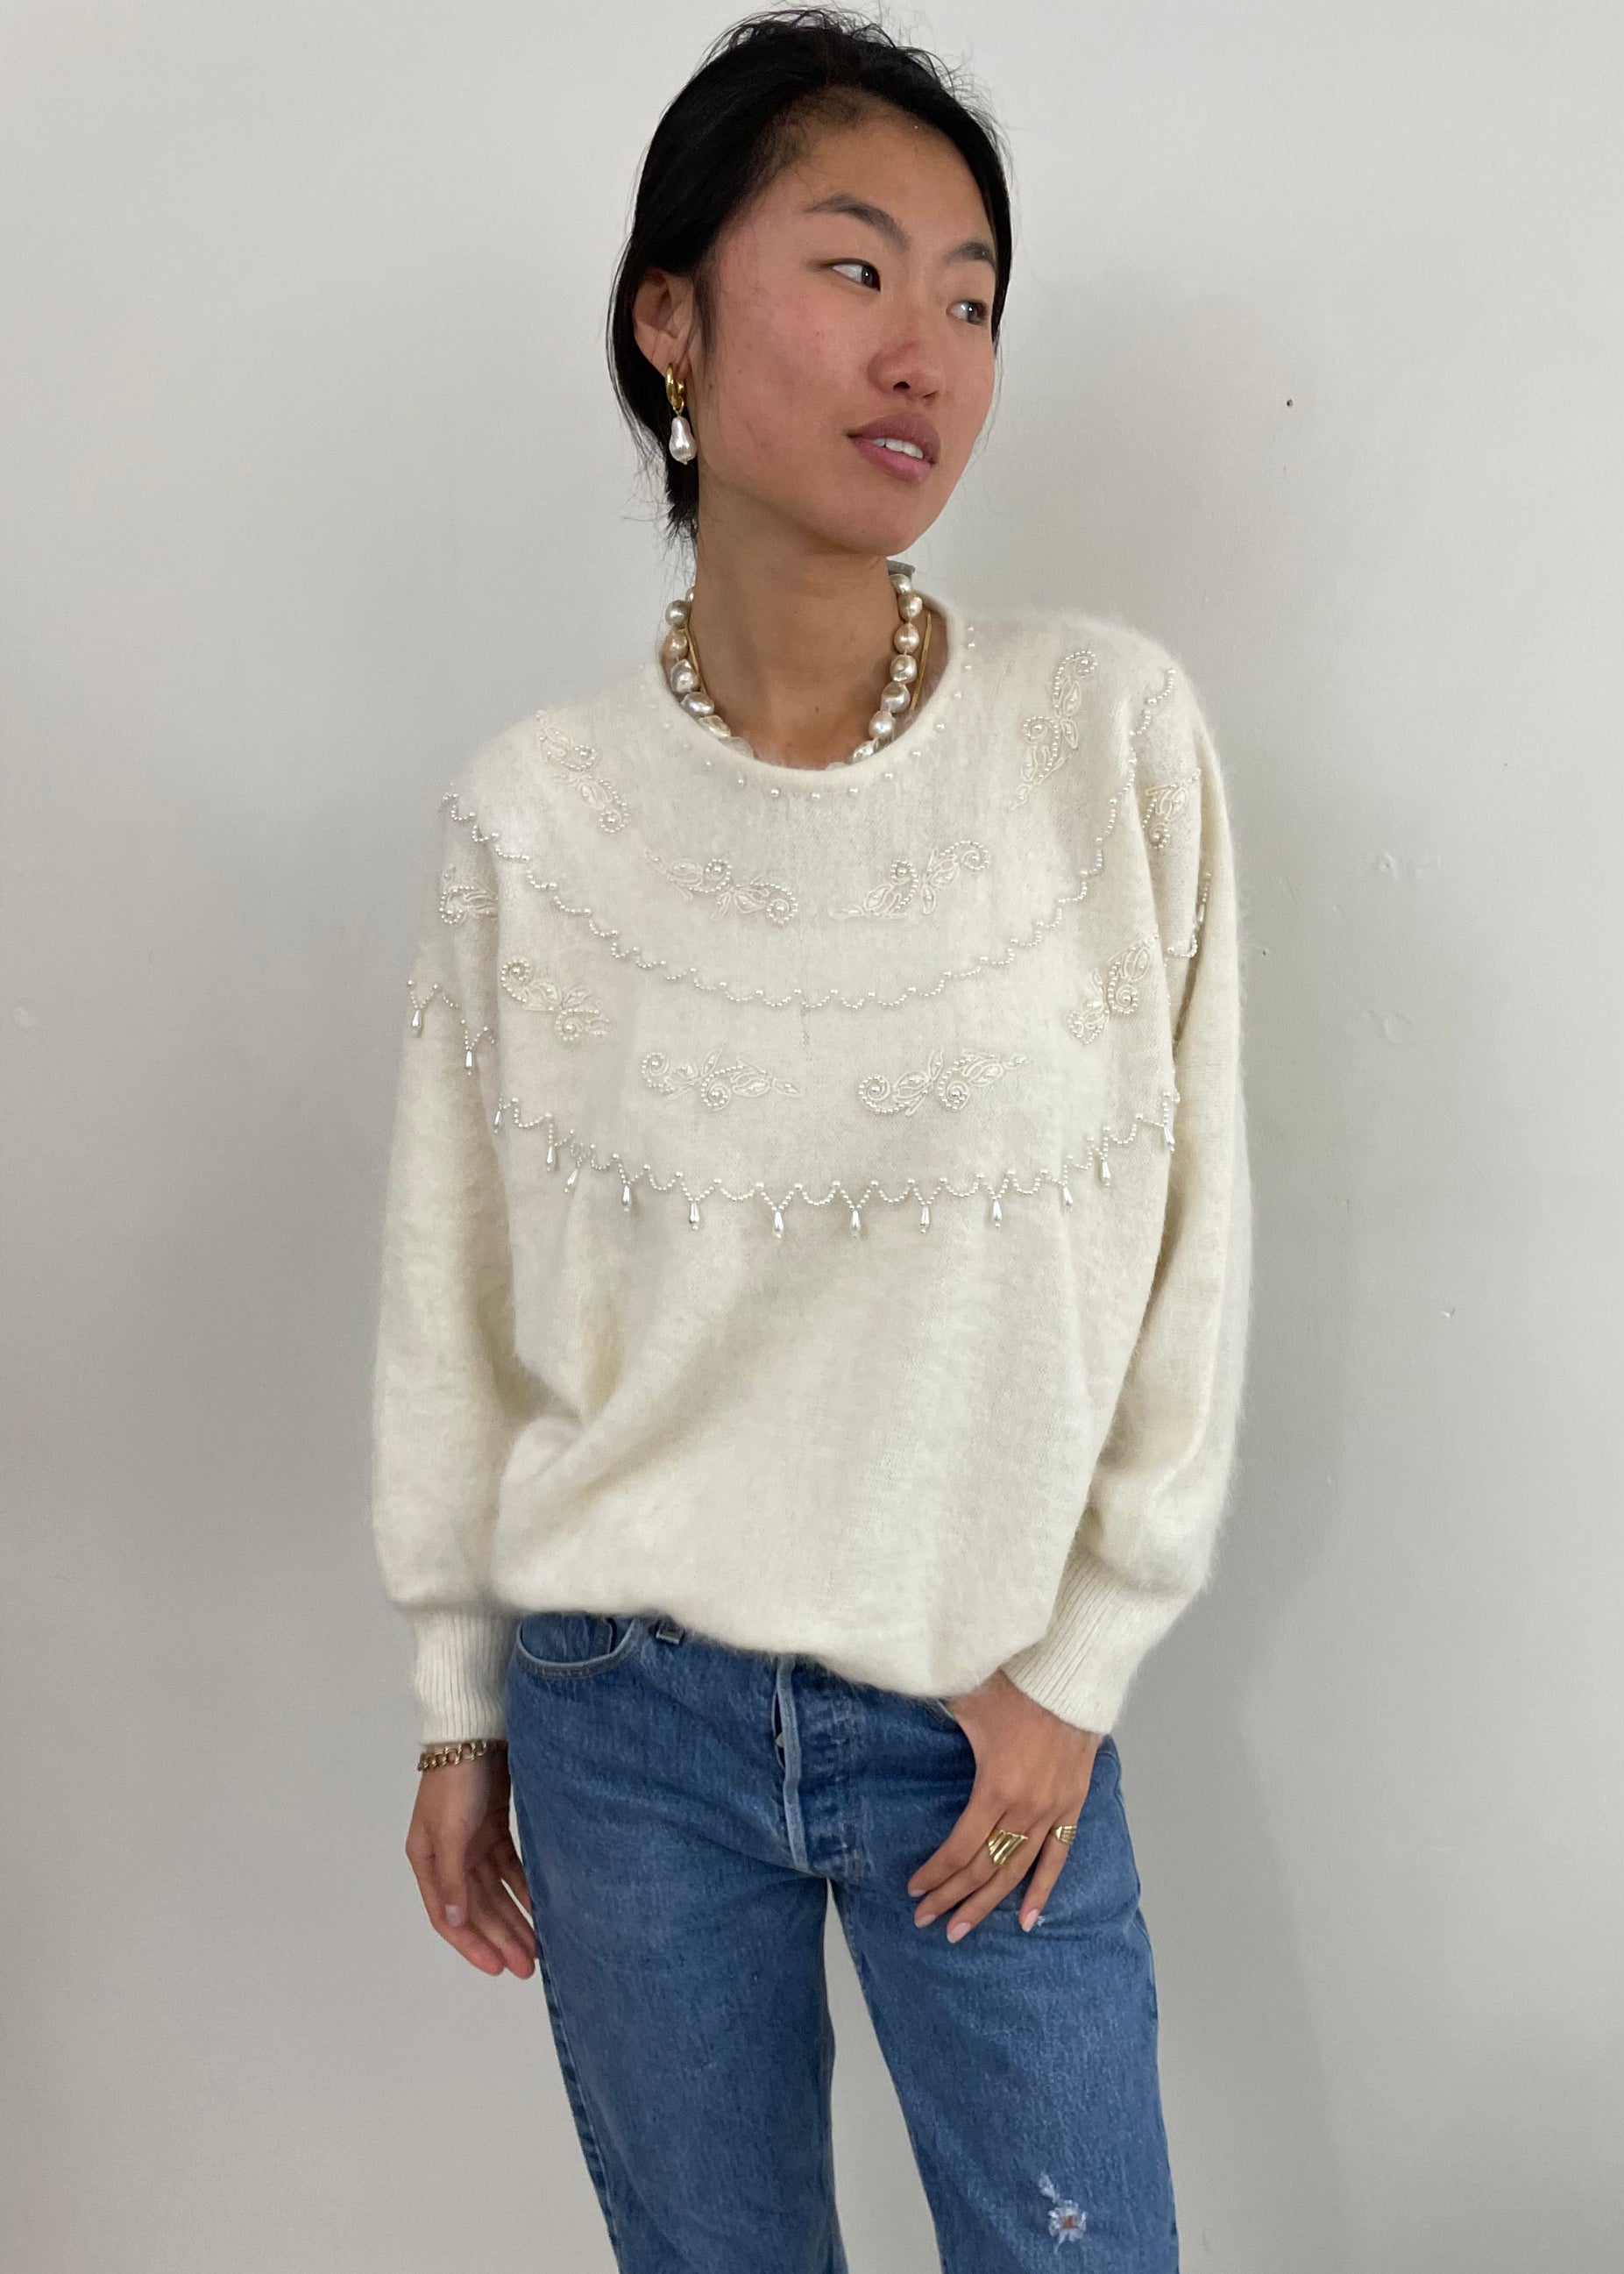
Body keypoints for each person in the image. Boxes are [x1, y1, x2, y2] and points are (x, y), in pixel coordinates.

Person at [367, 10, 1252, 2268]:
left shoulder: (1105, 740)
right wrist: (459, 1705)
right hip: (624, 1714)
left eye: (973, 295)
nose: (925, 348)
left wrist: (1081, 1670)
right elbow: (459, 1296)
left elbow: (1196, 1233)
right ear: (668, 319)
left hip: (989, 1720)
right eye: (855, 267)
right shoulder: (534, 818)